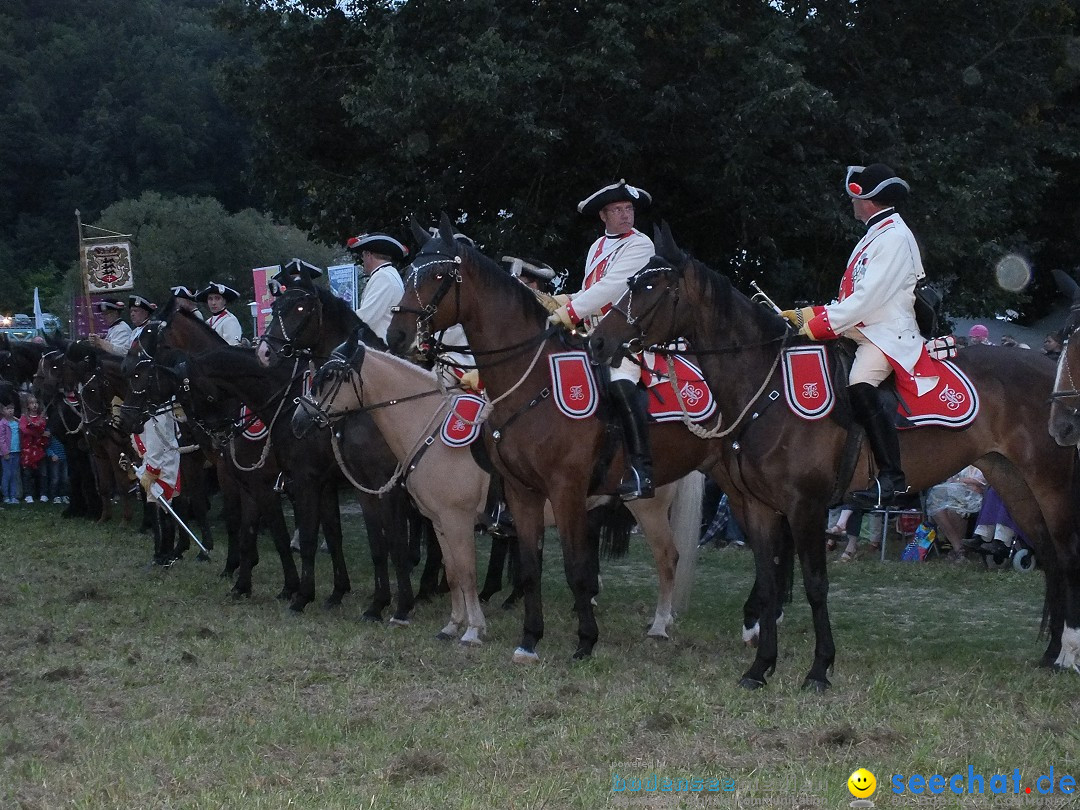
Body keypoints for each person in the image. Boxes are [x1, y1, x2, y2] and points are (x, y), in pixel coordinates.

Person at [782, 163, 933, 508]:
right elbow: (853, 297)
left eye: (855, 196)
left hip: (884, 333)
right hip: (863, 327)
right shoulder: (876, 232)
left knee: (859, 386)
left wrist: (817, 324)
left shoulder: (894, 236)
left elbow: (867, 300)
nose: (851, 202)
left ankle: (892, 477)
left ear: (866, 200)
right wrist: (811, 312)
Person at [549, 180, 657, 499]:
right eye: (618, 210)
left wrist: (567, 312)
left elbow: (612, 287)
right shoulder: (597, 248)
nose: (626, 215)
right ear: (603, 216)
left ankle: (641, 469)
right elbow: (589, 291)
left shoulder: (641, 244)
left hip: (630, 334)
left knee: (621, 379)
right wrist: (554, 300)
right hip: (595, 335)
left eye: (629, 209)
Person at [347, 232, 409, 341]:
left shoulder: (383, 277)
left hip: (381, 348)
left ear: (368, 255)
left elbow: (365, 319)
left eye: (363, 256)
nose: (363, 261)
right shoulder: (389, 274)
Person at [926, 465, 987, 561]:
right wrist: (962, 482)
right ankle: (958, 547)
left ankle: (959, 550)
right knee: (937, 509)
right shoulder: (961, 459)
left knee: (955, 509)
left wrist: (961, 481)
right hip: (957, 493)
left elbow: (983, 482)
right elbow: (950, 479)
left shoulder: (985, 460)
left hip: (979, 497)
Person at [18, 395, 49, 502]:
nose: (34, 405)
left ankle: (43, 494)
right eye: (31, 403)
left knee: (43, 473)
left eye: (36, 403)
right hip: (27, 450)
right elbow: (25, 430)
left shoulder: (42, 418)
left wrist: (41, 433)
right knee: (27, 474)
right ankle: (28, 495)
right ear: (27, 406)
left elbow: (44, 428)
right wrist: (40, 433)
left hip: (40, 450)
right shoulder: (23, 418)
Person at [0, 402, 20, 504]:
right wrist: (5, 452)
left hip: (16, 451)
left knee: (14, 474)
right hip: (7, 453)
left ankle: (13, 496)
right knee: (7, 474)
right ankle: (6, 496)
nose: (10, 410)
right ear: (3, 411)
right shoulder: (2, 423)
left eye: (12, 408)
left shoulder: (17, 422)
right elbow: (1, 439)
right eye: (8, 409)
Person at [45, 433, 68, 504]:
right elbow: (46, 446)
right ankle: (54, 496)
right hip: (55, 459)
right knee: (55, 478)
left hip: (65, 458)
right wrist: (52, 454)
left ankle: (64, 495)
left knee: (65, 478)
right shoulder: (51, 433)